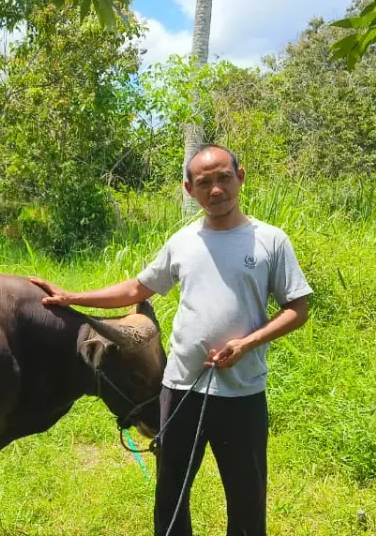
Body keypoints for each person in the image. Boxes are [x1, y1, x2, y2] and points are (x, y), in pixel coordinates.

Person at [29, 143, 312, 536]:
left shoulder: (270, 241)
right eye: (204, 182)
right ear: (188, 189)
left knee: (247, 500)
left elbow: (298, 307)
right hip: (180, 390)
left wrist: (247, 344)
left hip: (243, 394)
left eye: (223, 178)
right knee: (170, 497)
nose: (216, 190)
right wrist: (72, 297)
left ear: (240, 177)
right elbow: (137, 290)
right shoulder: (183, 241)